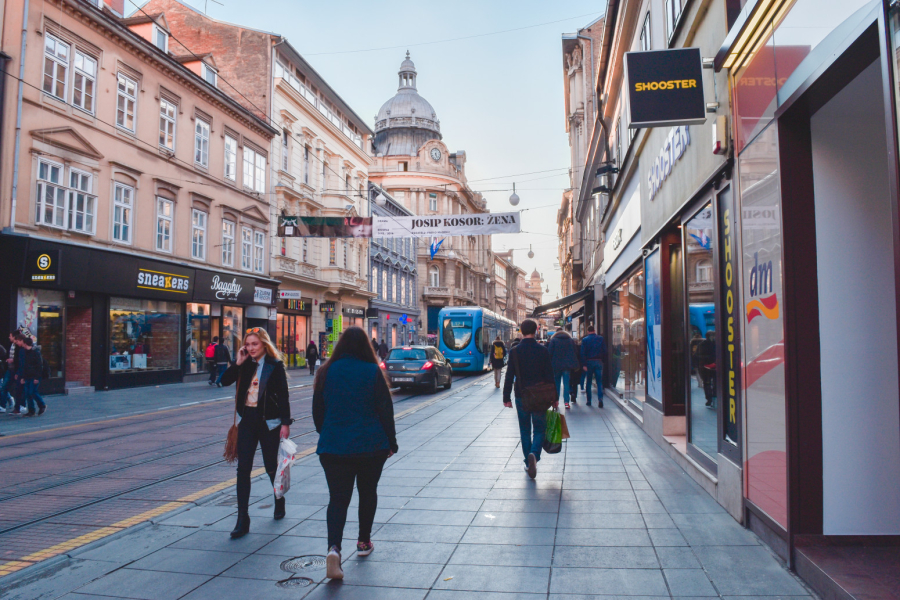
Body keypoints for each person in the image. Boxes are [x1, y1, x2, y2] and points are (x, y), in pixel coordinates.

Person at [313, 326, 398, 580]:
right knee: (367, 492)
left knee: (337, 499)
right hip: (370, 446)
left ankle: (334, 549)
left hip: (334, 447)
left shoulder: (325, 371)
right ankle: (363, 542)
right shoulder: (372, 371)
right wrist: (391, 442)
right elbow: (385, 410)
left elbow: (318, 413)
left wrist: (328, 433)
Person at [219, 328, 292, 539]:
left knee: (271, 467)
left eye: (255, 344)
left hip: (269, 422)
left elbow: (284, 395)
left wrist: (285, 423)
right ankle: (242, 519)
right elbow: (224, 381)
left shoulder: (275, 365)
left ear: (264, 345)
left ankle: (279, 499)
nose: (251, 348)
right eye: (248, 344)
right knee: (243, 469)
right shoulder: (245, 364)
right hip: (247, 421)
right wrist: (237, 363)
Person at [503, 319, 556, 479]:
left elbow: (509, 375)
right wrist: (555, 397)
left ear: (521, 331)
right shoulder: (543, 350)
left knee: (525, 430)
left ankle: (528, 462)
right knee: (540, 429)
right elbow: (550, 375)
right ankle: (534, 454)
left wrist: (506, 397)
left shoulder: (515, 351)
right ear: (536, 331)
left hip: (522, 395)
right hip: (540, 396)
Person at [548, 327, 579, 410]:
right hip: (567, 366)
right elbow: (575, 352)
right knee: (566, 384)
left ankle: (556, 401)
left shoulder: (553, 340)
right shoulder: (570, 340)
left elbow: (549, 353)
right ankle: (566, 402)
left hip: (556, 366)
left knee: (556, 384)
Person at [580, 325, 606, 408]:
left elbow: (582, 353)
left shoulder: (585, 340)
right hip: (598, 361)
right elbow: (605, 351)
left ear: (588, 331)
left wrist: (584, 364)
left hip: (589, 362)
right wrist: (603, 361)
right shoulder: (601, 339)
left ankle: (589, 400)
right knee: (599, 382)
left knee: (588, 382)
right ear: (594, 330)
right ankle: (600, 399)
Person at [21, 337, 46, 416]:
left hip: (34, 376)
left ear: (25, 344)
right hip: (28, 375)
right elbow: (25, 366)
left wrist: (37, 377)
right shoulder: (26, 352)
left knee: (32, 391)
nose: (22, 345)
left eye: (23, 343)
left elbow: (39, 366)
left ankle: (42, 405)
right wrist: (23, 377)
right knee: (28, 393)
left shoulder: (36, 352)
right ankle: (31, 410)